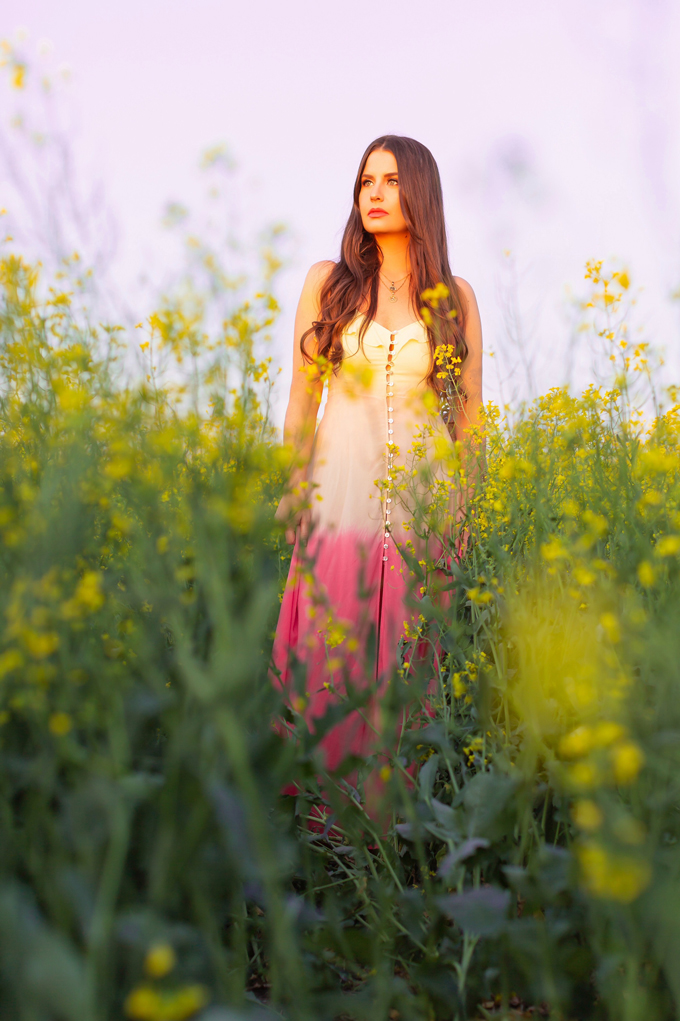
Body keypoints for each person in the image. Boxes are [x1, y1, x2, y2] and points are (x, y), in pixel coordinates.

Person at [273, 135, 483, 783]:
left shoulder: (456, 296)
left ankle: (393, 838)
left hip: (423, 509)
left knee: (407, 666)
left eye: (391, 181)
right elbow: (302, 400)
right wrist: (288, 489)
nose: (375, 193)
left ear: (419, 192)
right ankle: (321, 831)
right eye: (367, 181)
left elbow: (470, 421)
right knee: (328, 660)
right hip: (337, 499)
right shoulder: (328, 284)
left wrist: (470, 507)